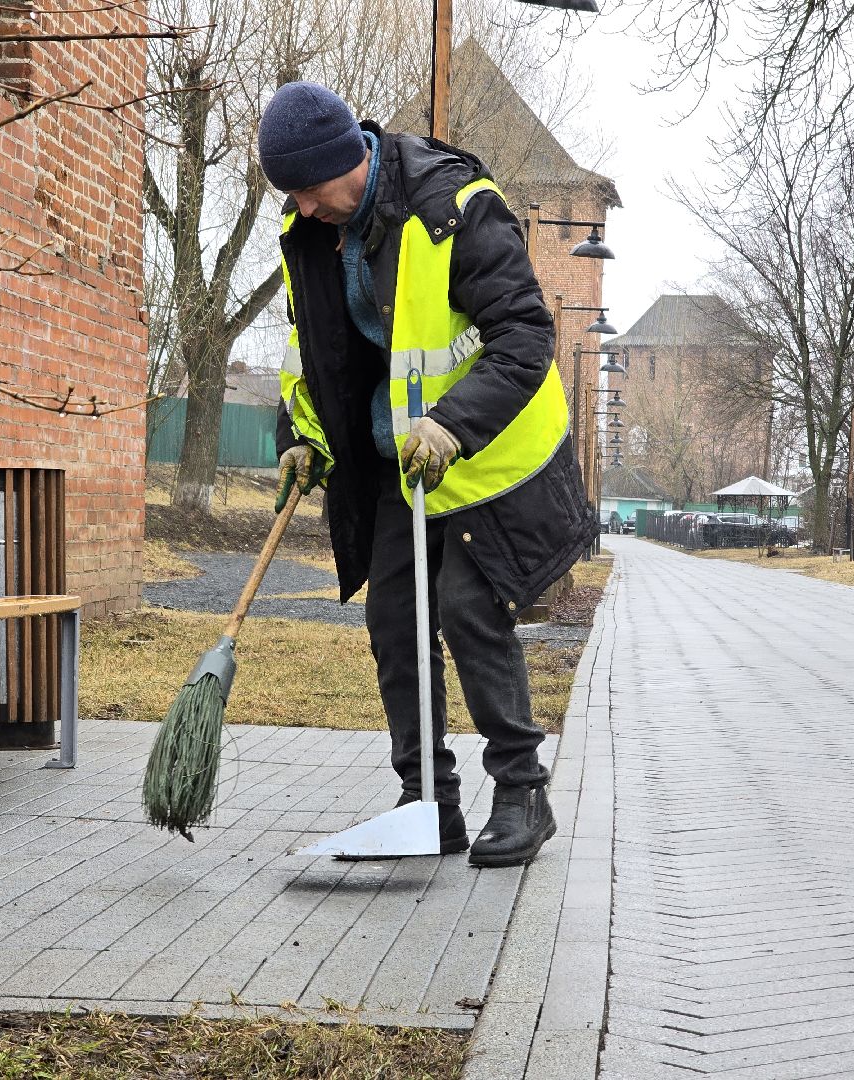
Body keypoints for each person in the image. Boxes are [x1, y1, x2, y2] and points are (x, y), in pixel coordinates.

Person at [257, 81, 597, 868]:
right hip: (393, 462)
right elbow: (310, 349)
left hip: (486, 454)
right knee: (395, 627)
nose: (304, 209)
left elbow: (523, 335)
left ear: (347, 159)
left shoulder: (454, 206)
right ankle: (428, 804)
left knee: (468, 610)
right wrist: (298, 434)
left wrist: (450, 424)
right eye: (295, 197)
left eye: (311, 191)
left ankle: (521, 795)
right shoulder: (310, 229)